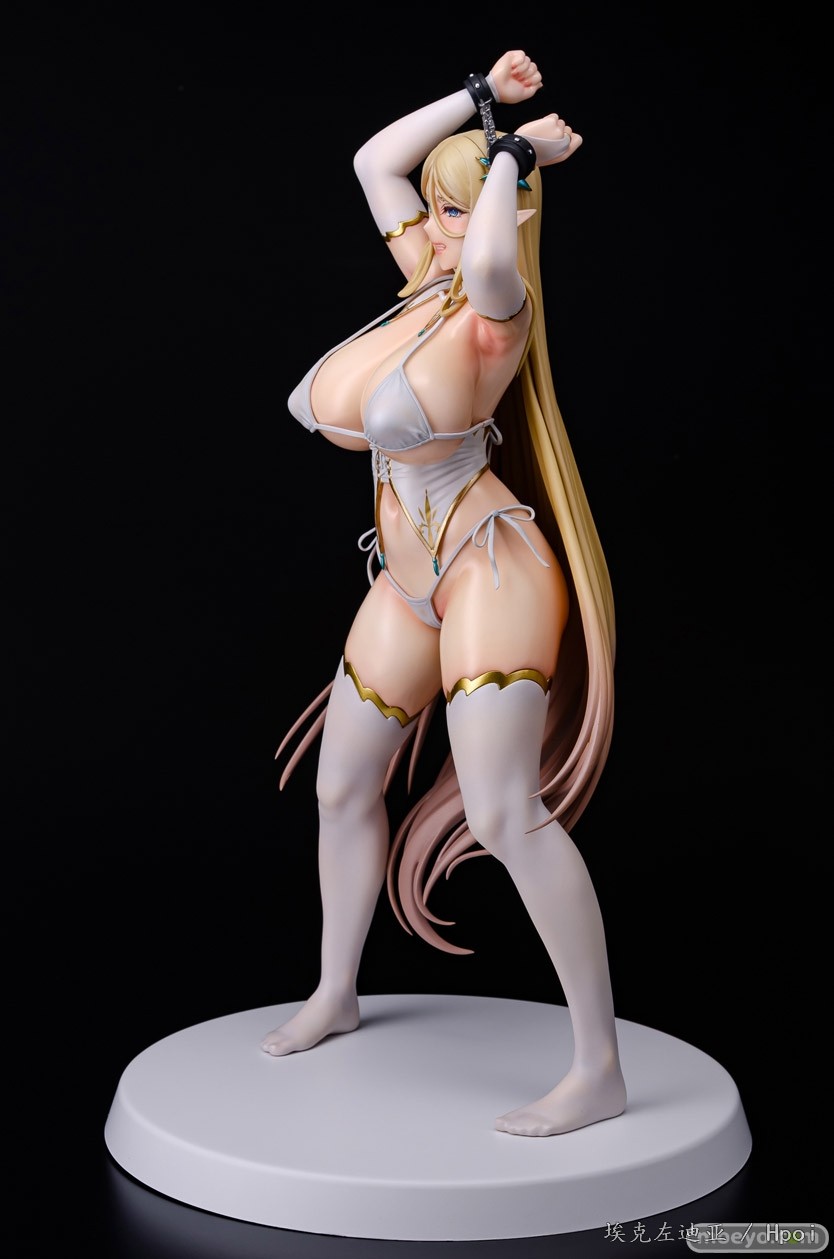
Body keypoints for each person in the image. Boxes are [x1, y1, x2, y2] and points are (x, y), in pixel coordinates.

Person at [263, 49, 627, 1138]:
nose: (432, 225)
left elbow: (495, 252)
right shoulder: (424, 276)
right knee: (341, 787)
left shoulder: (495, 308)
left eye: (453, 210)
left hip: (489, 572)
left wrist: (514, 158)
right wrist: (484, 100)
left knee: (506, 812)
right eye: (432, 208)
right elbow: (372, 159)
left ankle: (598, 1066)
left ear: (503, 213)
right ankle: (336, 988)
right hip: (408, 578)